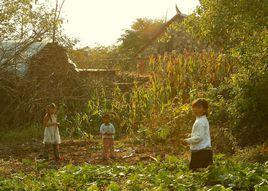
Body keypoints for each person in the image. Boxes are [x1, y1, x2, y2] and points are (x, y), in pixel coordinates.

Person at [185, 98, 212, 171]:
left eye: (199, 107)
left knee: (196, 173)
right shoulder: (202, 119)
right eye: (194, 107)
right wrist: (191, 136)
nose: (195, 109)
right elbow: (200, 134)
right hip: (204, 151)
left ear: (204, 110)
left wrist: (187, 140)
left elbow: (198, 138)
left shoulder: (200, 122)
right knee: (204, 176)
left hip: (201, 153)